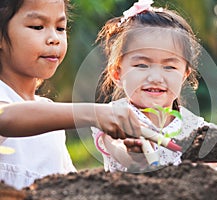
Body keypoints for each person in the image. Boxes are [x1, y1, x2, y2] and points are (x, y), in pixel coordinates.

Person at [0, 0, 142, 189]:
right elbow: (6, 118)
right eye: (37, 26)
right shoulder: (10, 103)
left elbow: (72, 185)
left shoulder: (50, 115)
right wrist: (93, 114)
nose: (54, 38)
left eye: (60, 28)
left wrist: (125, 157)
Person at [92, 0, 216, 172]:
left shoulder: (196, 129)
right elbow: (116, 146)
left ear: (184, 75)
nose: (156, 78)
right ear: (117, 73)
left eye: (169, 67)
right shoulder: (114, 117)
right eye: (142, 65)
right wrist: (133, 154)